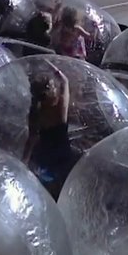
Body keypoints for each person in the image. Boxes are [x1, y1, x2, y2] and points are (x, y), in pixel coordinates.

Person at [22, 63, 79, 199]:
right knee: (61, 190)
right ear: (52, 89)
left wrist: (24, 161)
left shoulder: (36, 112)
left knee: (41, 190)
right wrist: (50, 64)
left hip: (43, 155)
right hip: (61, 154)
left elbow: (31, 139)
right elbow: (65, 81)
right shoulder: (59, 109)